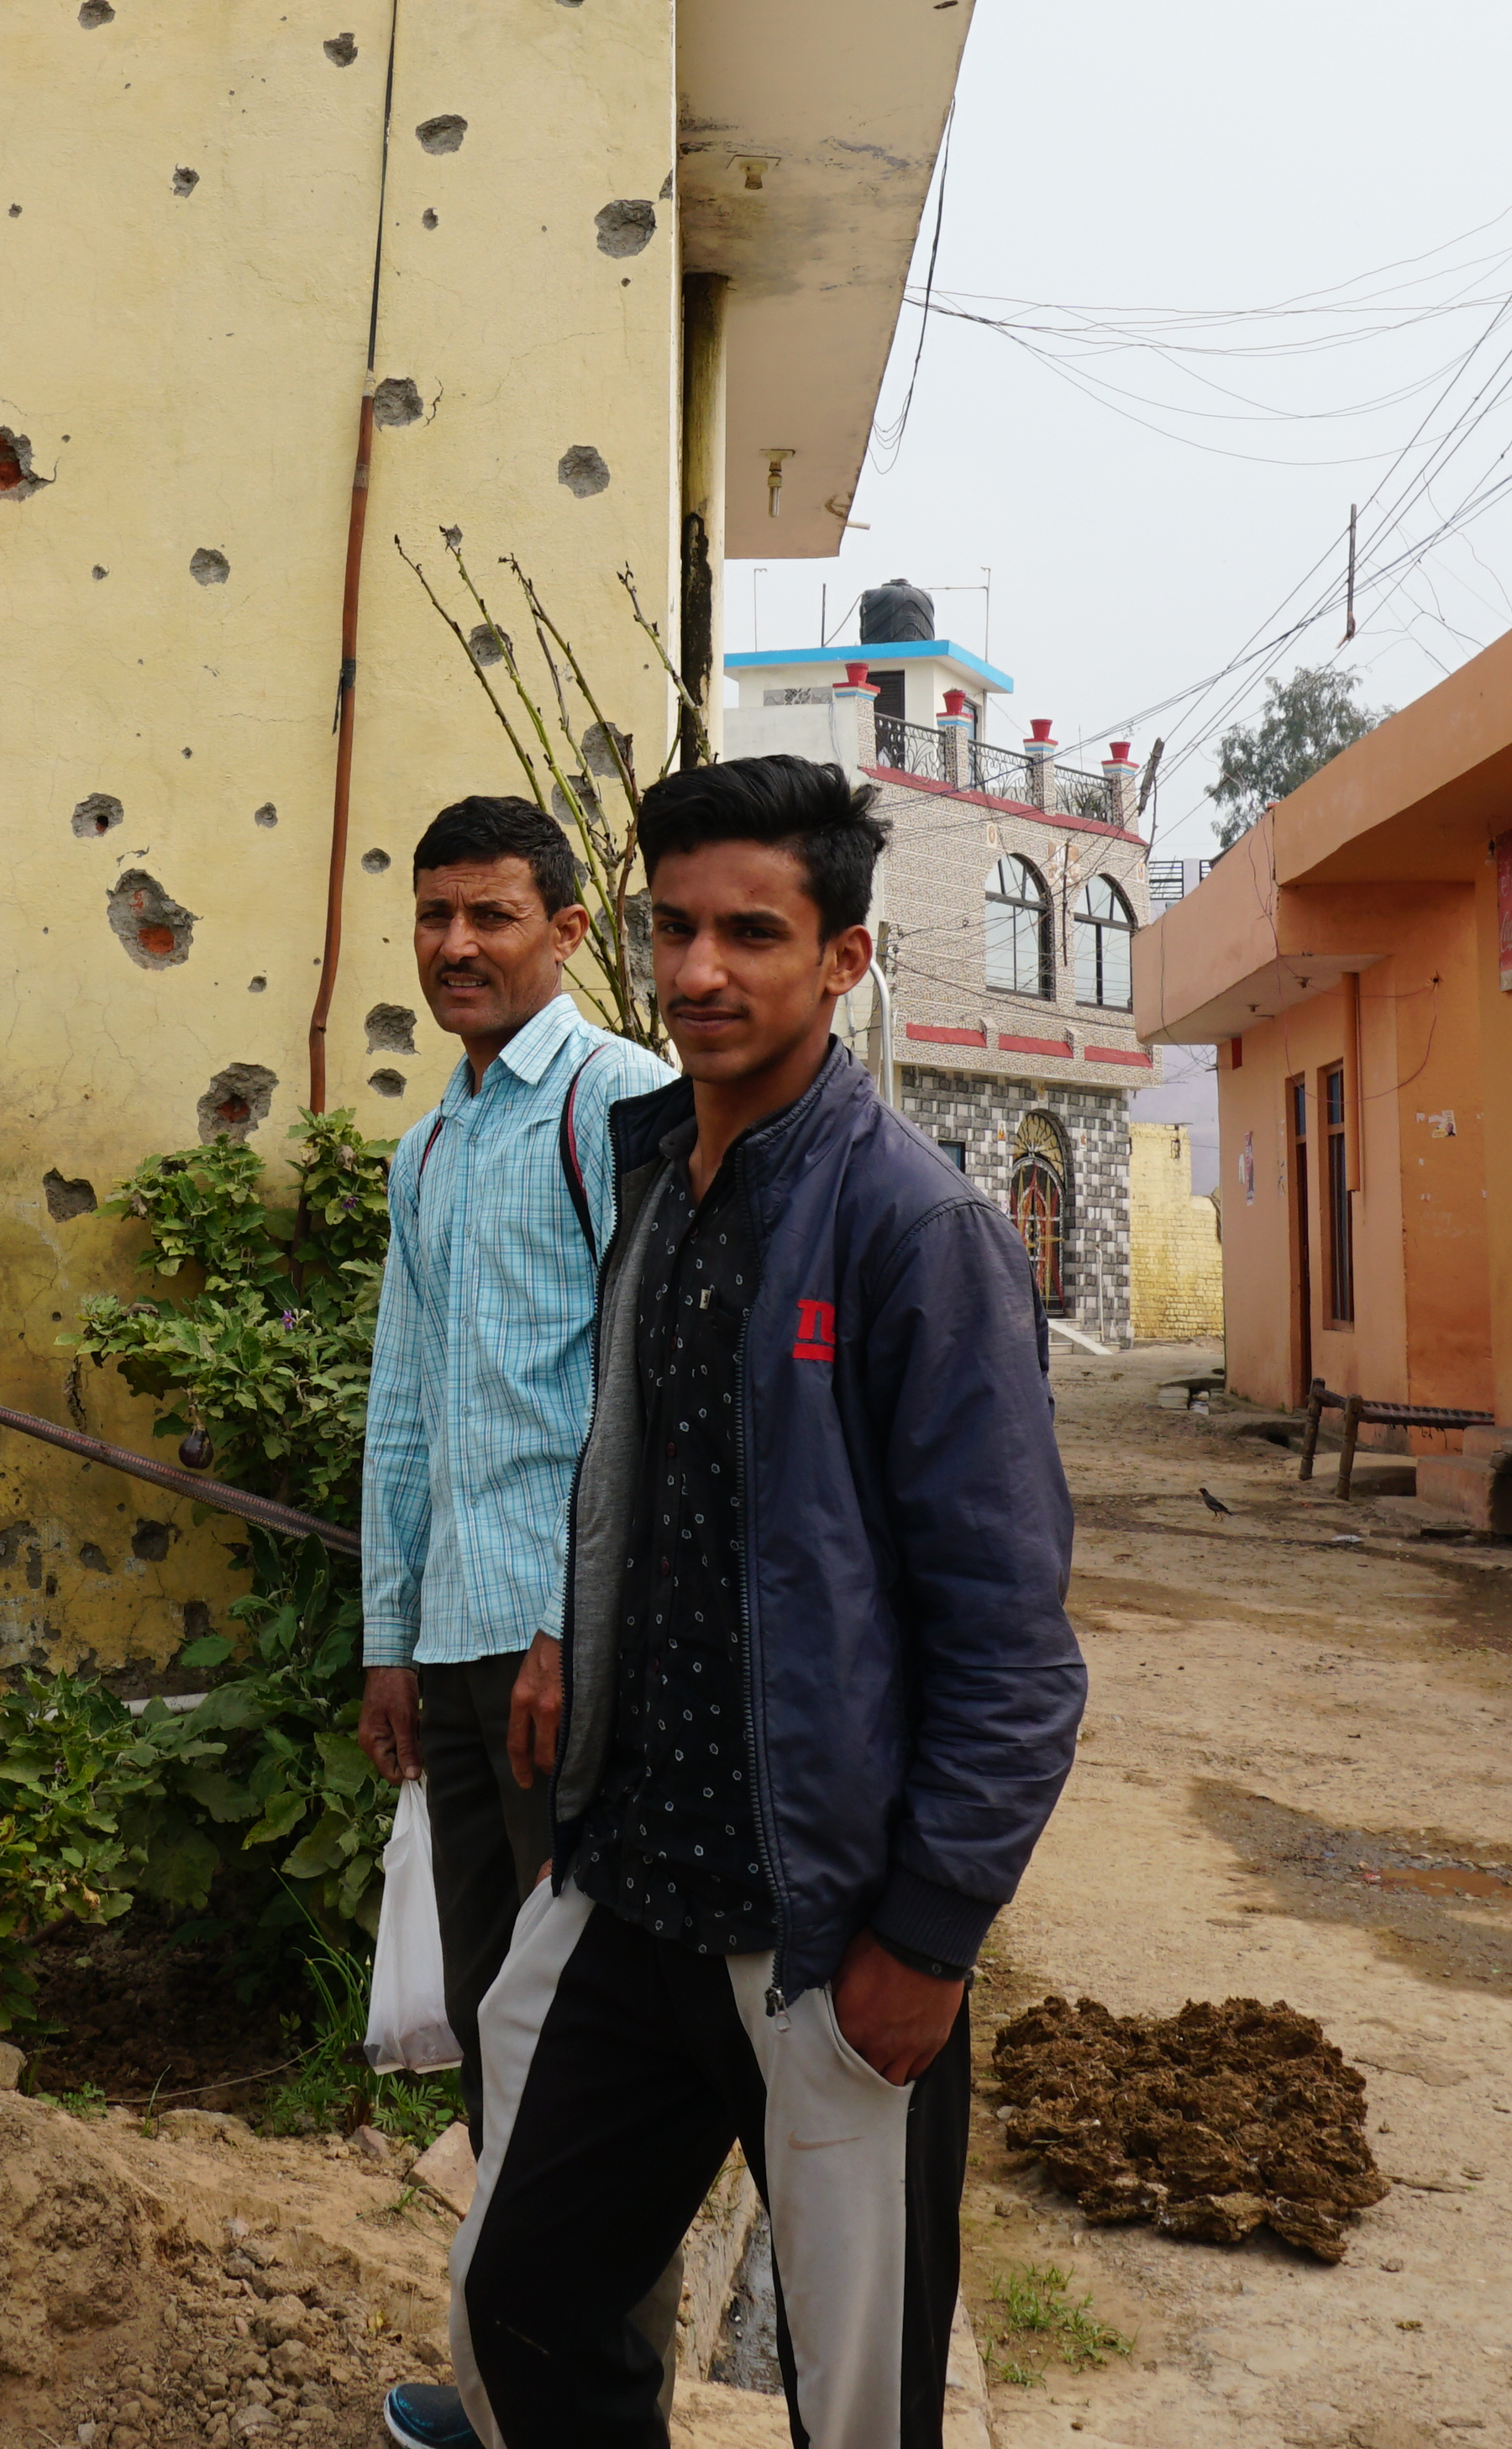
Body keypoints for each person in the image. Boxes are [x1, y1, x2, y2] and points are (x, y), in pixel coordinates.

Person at [434, 754, 1081, 2449]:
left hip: (822, 1927)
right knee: (521, 2299)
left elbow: (1011, 1643)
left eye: (753, 933)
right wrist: (576, 1648)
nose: (701, 970)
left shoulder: (914, 1229)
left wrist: (928, 1935)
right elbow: (647, 1485)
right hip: (633, 1880)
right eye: (675, 929)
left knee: (860, 2403)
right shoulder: (655, 1172)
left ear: (843, 958)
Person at [354, 797, 676, 2163]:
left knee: (582, 2011)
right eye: (434, 917)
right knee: (491, 1996)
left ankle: (597, 2298)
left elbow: (647, 1388)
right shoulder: (430, 1147)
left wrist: (566, 1627)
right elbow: (404, 1409)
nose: (457, 945)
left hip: (570, 1651)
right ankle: (508, 2293)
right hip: (456, 1648)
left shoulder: (617, 1103)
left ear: (567, 928)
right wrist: (391, 1643)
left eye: (492, 915)